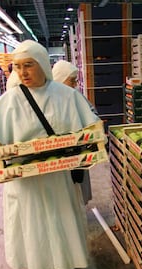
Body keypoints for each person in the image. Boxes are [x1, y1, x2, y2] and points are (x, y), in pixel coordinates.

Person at [0, 40, 100, 269]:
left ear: (43, 65)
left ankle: (64, 265)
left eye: (28, 65)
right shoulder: (8, 102)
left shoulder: (67, 95)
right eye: (18, 67)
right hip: (26, 184)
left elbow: (91, 126)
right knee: (32, 229)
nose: (22, 72)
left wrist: (94, 143)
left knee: (61, 222)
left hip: (58, 177)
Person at [52, 60, 94, 205]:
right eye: (72, 81)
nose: (75, 84)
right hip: (57, 156)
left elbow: (93, 114)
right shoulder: (47, 99)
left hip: (76, 150)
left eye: (76, 81)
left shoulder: (75, 96)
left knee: (77, 187)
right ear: (60, 78)